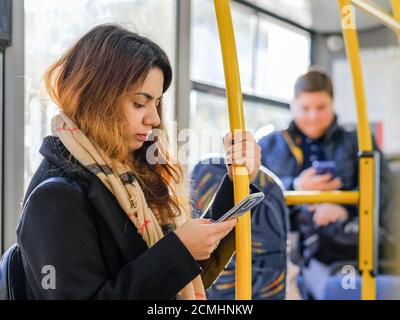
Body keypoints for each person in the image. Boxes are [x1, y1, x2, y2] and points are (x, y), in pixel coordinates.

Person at [16, 24, 261, 300]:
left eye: (156, 103)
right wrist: (178, 251)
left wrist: (234, 182)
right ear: (97, 99)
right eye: (139, 103)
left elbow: (179, 281)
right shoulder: (56, 197)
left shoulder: (129, 176)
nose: (154, 119)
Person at [258, 69, 391, 299]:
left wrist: (344, 208)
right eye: (305, 108)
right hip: (287, 242)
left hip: (344, 241)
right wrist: (296, 186)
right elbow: (258, 191)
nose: (312, 116)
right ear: (292, 105)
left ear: (332, 105)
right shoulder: (269, 145)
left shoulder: (359, 142)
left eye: (321, 108)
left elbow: (383, 188)